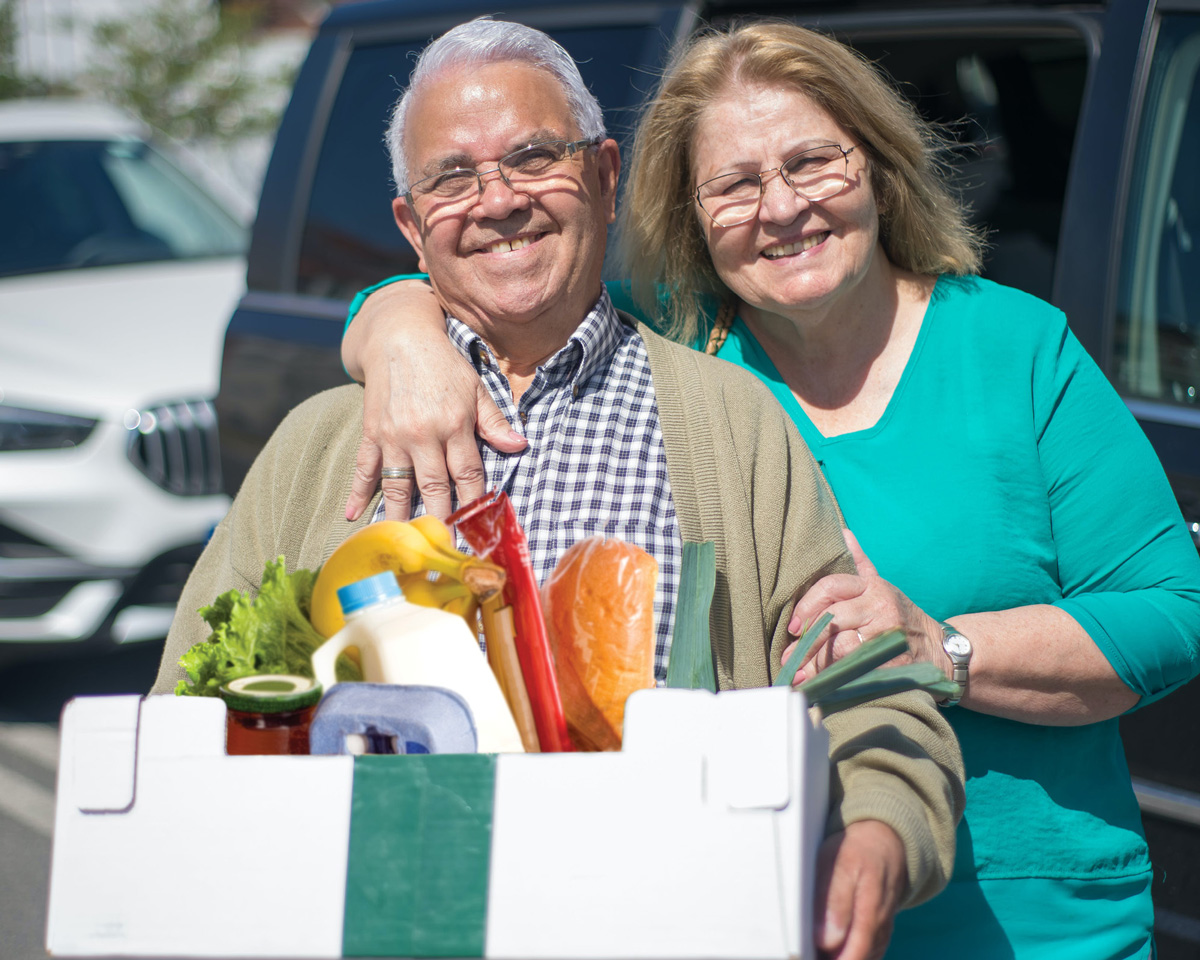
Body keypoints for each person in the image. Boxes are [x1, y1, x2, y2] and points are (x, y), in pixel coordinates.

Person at [340, 18, 1200, 960]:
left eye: (812, 163)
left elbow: (1173, 610)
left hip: (1028, 909)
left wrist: (943, 646)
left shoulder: (1015, 350)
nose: (782, 208)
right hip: (760, 907)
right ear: (689, 213)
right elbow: (495, 270)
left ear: (875, 165)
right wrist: (396, 332)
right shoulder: (666, 356)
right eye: (736, 185)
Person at [152, 19, 965, 960]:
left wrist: (877, 831)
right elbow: (186, 707)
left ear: (608, 177)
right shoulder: (321, 444)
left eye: (534, 157)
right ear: (413, 227)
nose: (497, 201)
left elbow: (865, 689)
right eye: (453, 176)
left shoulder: (732, 424)